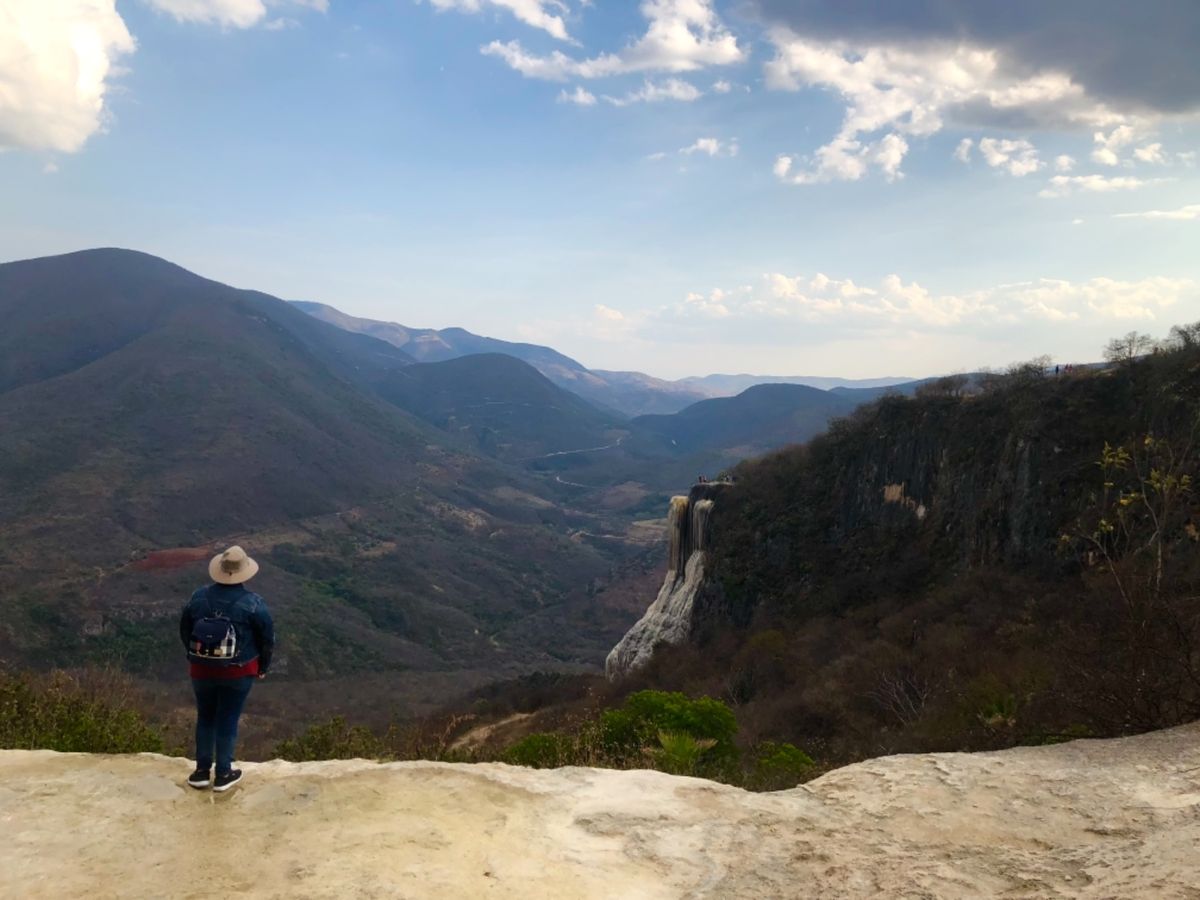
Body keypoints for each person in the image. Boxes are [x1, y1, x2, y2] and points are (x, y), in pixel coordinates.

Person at [179, 545, 275, 791]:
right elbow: (266, 639)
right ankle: (223, 773)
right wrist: (262, 667)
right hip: (239, 670)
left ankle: (201, 772)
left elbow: (185, 629)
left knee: (205, 716)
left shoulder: (198, 597)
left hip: (201, 670)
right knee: (228, 718)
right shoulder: (253, 603)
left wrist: (194, 656)